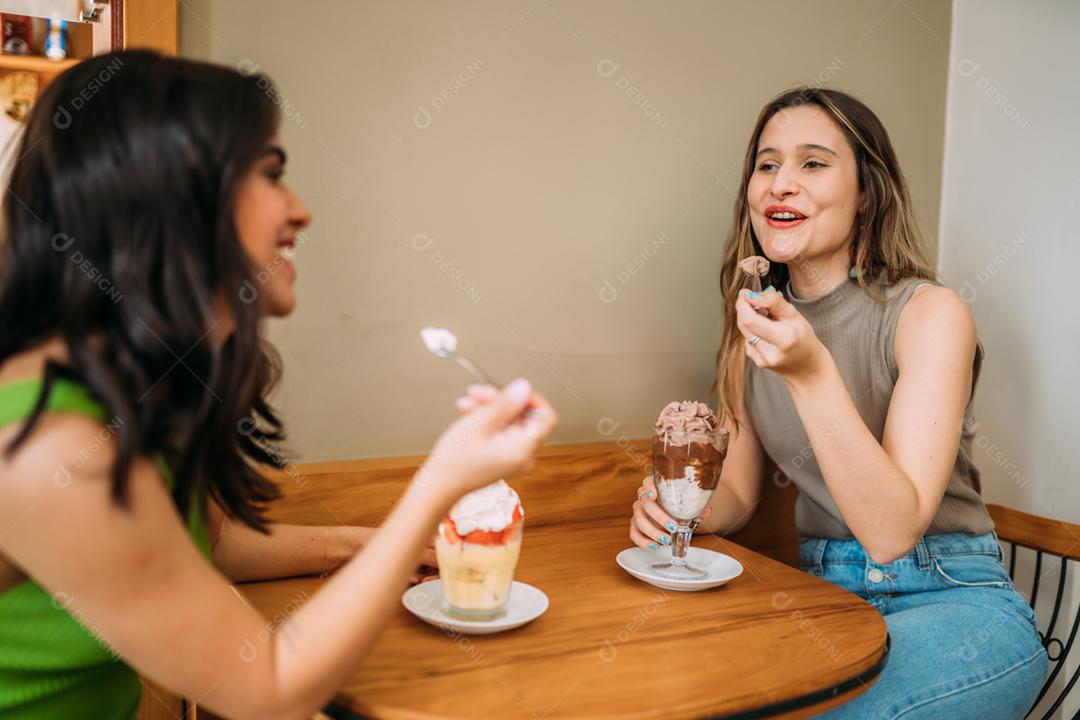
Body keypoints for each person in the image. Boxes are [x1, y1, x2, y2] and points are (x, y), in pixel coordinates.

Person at [0, 50, 557, 719]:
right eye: (270, 175)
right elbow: (269, 692)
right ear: (177, 195)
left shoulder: (127, 389)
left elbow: (205, 545)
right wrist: (439, 482)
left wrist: (377, 545)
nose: (301, 212)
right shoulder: (51, 451)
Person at [630, 87, 1046, 719]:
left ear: (867, 193)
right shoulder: (754, 331)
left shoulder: (929, 314)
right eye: (767, 165)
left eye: (813, 163)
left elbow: (889, 533)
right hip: (824, 602)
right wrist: (677, 507)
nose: (781, 184)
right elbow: (738, 496)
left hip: (952, 599)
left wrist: (811, 373)